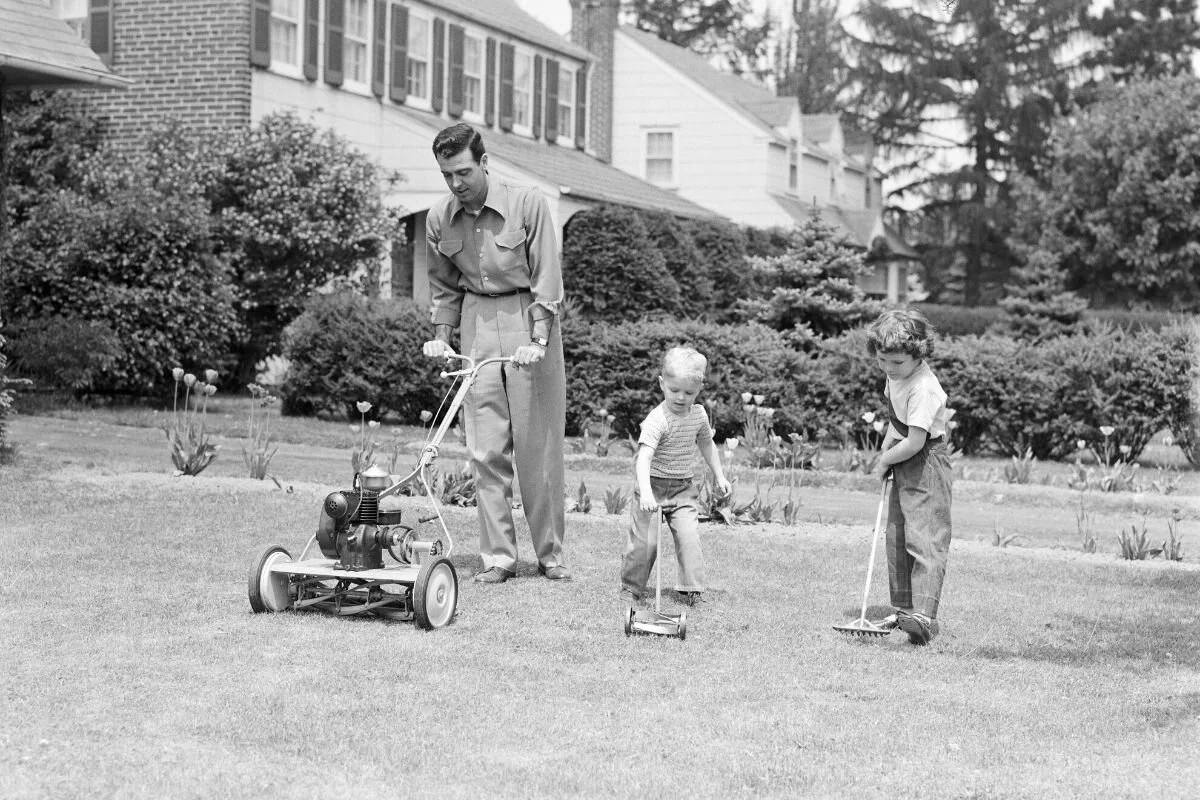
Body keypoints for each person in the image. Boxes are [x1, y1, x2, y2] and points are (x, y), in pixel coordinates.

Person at [422, 123, 568, 584]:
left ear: (484, 163)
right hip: (476, 322)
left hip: (528, 317)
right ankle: (498, 557)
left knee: (537, 447)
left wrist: (539, 340)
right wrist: (443, 337)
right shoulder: (439, 218)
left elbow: (547, 278)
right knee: (485, 447)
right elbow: (444, 288)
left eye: (463, 171)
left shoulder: (527, 203)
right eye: (447, 175)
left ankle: (550, 554)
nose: (456, 183)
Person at [866, 309, 953, 645]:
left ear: (919, 355)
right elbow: (898, 423)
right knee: (899, 535)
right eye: (883, 359)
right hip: (905, 455)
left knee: (926, 538)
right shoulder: (897, 376)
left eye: (897, 362)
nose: (889, 368)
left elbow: (917, 440)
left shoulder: (924, 388)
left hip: (927, 463)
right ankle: (904, 610)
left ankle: (924, 615)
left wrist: (883, 460)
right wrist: (887, 448)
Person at [620, 346, 731, 607]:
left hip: (683, 489)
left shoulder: (699, 415)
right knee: (645, 544)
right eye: (674, 390)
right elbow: (643, 459)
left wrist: (720, 475)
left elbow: (707, 444)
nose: (681, 397)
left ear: (699, 389)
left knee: (689, 537)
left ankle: (690, 590)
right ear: (662, 384)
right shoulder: (657, 419)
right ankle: (631, 588)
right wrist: (646, 493)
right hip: (653, 488)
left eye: (689, 392)